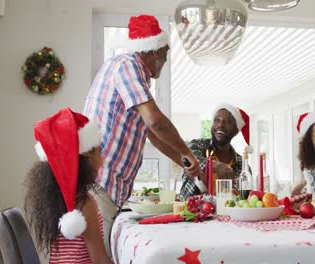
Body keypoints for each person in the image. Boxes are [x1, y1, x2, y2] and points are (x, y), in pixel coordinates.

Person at [83, 14, 200, 255]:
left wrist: (185, 162)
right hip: (100, 184)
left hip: (106, 186)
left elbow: (153, 135)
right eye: (166, 55)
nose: (165, 61)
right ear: (155, 51)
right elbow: (156, 122)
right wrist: (188, 152)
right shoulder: (128, 66)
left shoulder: (133, 75)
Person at [24, 108, 112, 263]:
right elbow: (99, 260)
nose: (102, 159)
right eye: (100, 151)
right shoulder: (84, 203)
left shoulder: (55, 198)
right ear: (87, 154)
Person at [180, 104, 251, 200]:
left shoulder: (242, 165)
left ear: (235, 131)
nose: (220, 125)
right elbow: (191, 157)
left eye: (227, 121)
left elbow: (245, 200)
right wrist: (215, 165)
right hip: (192, 212)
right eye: (217, 120)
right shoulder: (198, 145)